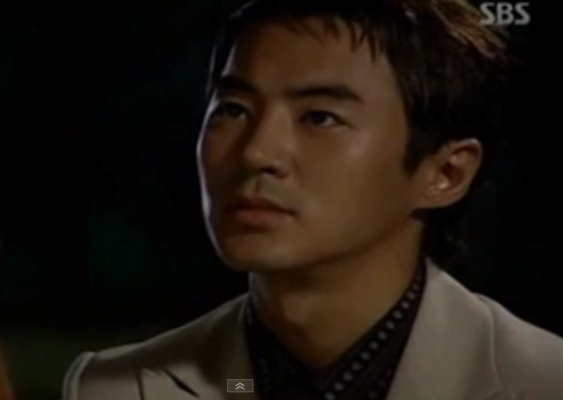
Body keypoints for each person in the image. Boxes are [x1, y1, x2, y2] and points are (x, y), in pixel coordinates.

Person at [62, 0, 563, 399]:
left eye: (319, 118)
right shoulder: (116, 388)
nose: (256, 152)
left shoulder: (542, 382)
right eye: (233, 109)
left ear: (445, 173)